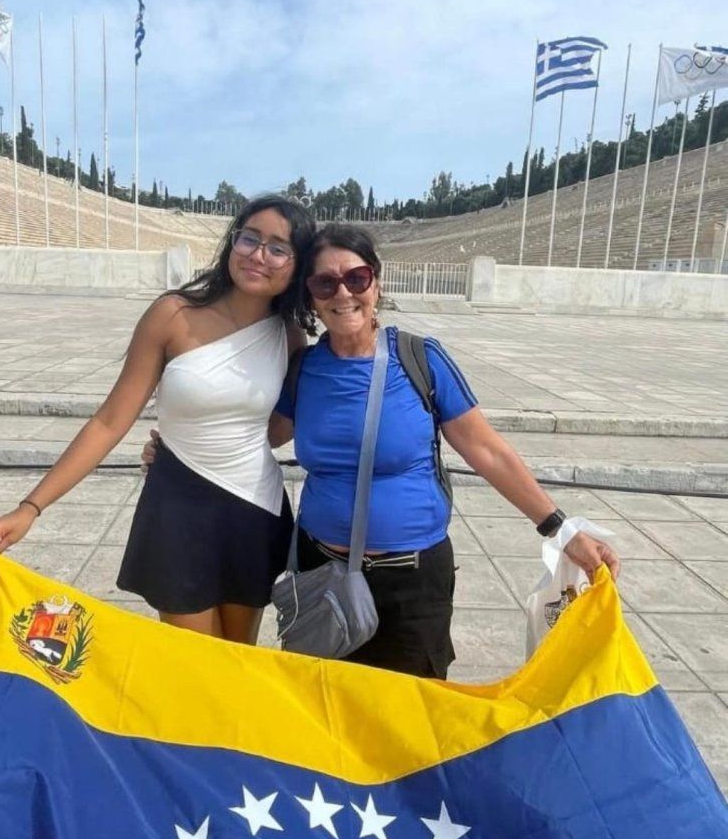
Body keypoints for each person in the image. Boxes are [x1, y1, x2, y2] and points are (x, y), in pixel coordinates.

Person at [266, 222, 620, 679]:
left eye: (356, 278)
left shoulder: (421, 359)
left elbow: (487, 451)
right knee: (325, 713)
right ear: (311, 295)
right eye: (325, 282)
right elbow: (262, 434)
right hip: (323, 577)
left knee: (413, 722)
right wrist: (174, 446)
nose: (343, 293)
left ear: (376, 281)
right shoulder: (304, 370)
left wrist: (561, 529)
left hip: (412, 584)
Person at [0, 195, 316, 644]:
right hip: (179, 508)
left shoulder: (288, 336)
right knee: (190, 662)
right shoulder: (172, 314)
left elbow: (273, 432)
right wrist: (30, 508)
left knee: (237, 662)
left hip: (254, 511)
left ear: (295, 264)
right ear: (234, 241)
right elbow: (109, 421)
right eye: (250, 238)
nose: (258, 255)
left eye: (278, 247)